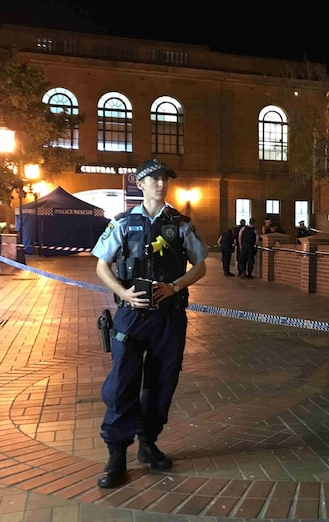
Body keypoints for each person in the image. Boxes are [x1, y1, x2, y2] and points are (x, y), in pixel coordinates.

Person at [91, 159, 208, 489]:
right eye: (153, 178)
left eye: (164, 178)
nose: (160, 183)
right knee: (122, 384)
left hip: (169, 316)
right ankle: (116, 455)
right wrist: (123, 294)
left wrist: (174, 287)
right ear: (139, 183)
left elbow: (200, 266)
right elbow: (102, 265)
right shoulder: (123, 223)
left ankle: (148, 443)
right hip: (132, 316)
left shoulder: (181, 224)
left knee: (161, 384)